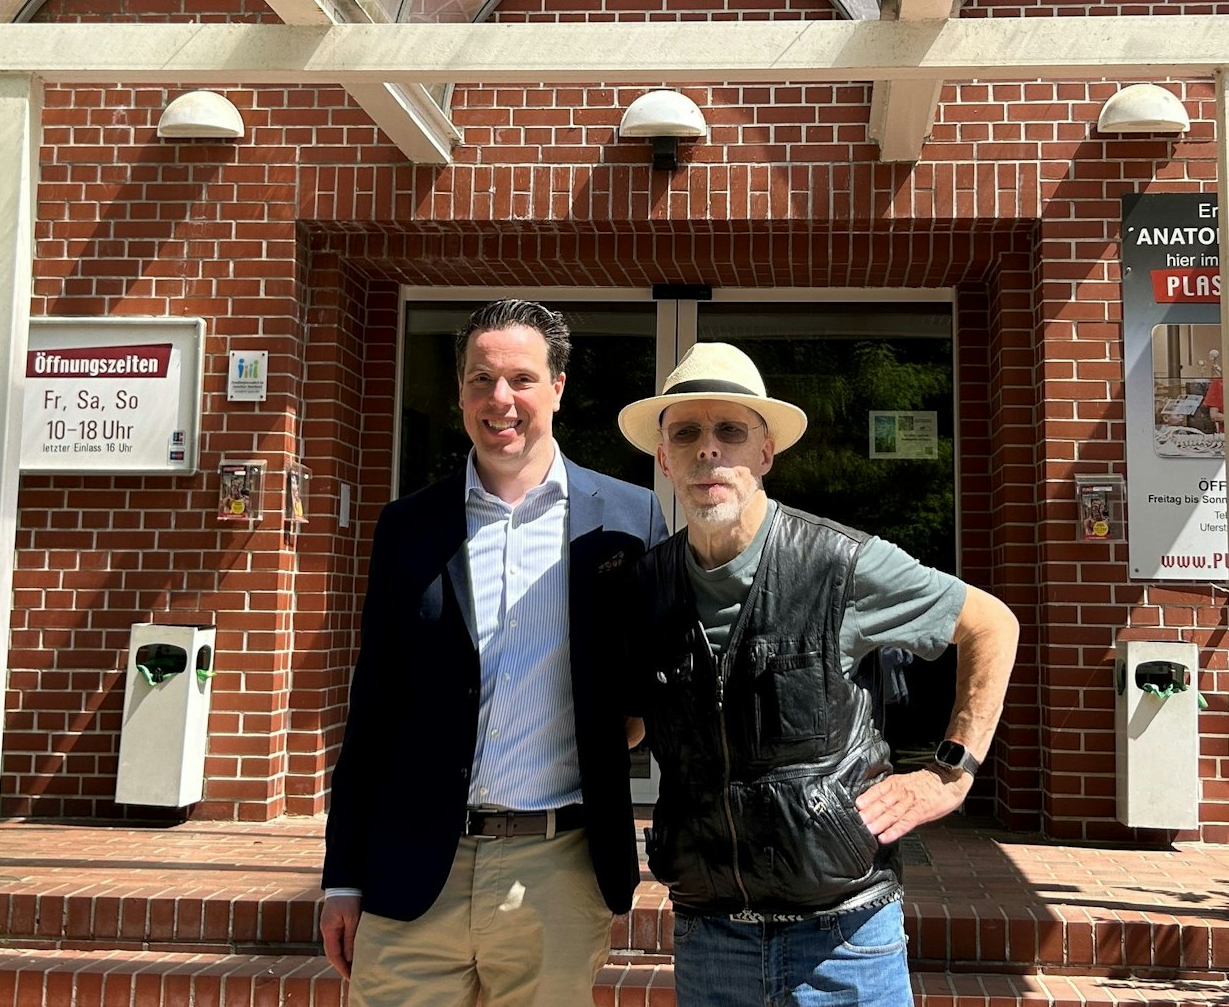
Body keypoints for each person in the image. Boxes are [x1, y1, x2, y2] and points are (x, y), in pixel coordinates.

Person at [619, 343, 1021, 1007]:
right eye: (686, 433)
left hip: (844, 939)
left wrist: (950, 772)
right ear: (664, 458)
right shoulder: (644, 589)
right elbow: (631, 724)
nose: (708, 449)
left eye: (730, 431)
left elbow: (990, 624)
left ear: (766, 452)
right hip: (709, 936)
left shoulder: (840, 566)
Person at [320, 298, 668, 1007]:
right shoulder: (407, 527)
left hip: (557, 871)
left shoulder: (631, 521)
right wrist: (343, 877)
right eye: (481, 379)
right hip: (412, 868)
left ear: (558, 388)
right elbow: (373, 709)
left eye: (521, 379)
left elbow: (653, 687)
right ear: (460, 391)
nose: (500, 399)